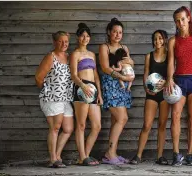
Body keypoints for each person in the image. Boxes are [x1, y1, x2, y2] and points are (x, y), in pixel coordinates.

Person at [166, 6, 192, 166]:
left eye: (182, 19)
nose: (180, 23)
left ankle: (189, 153)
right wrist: (169, 78)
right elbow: (170, 62)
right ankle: (176, 153)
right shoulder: (173, 41)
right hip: (179, 82)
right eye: (177, 20)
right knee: (175, 115)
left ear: (188, 18)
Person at [130, 30, 170, 165]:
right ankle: (138, 155)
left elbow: (172, 74)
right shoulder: (149, 56)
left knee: (162, 125)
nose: (157, 41)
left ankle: (160, 156)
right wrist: (147, 88)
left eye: (160, 38)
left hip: (164, 94)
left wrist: (166, 83)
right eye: (155, 39)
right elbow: (146, 74)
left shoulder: (170, 56)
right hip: (151, 94)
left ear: (164, 40)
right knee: (146, 125)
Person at [35, 31, 74, 168]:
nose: (64, 44)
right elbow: (39, 78)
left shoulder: (69, 57)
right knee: (55, 127)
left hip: (65, 98)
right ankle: (53, 159)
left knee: (68, 128)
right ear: (55, 42)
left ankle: (57, 156)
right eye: (60, 41)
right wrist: (48, 90)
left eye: (66, 42)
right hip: (52, 97)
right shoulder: (50, 57)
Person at [99, 17, 134, 165]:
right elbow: (105, 68)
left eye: (120, 32)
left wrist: (127, 73)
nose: (118, 35)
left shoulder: (124, 48)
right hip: (110, 85)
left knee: (116, 120)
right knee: (122, 118)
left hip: (123, 87)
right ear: (109, 32)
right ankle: (110, 153)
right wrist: (122, 76)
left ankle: (111, 153)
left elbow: (130, 62)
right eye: (115, 32)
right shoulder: (104, 47)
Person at [69, 23, 103, 166]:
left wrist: (99, 94)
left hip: (93, 91)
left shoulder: (92, 54)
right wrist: (83, 85)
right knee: (81, 125)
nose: (85, 38)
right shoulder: (75, 54)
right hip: (81, 89)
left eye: (87, 36)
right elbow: (73, 75)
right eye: (83, 36)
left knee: (97, 126)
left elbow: (95, 76)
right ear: (78, 37)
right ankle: (83, 157)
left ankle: (85, 156)